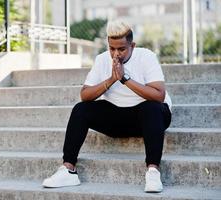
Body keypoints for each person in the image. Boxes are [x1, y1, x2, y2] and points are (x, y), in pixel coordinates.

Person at [42, 20, 172, 193]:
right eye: (112, 48)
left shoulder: (146, 56)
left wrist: (125, 79)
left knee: (153, 108)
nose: (116, 54)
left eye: (121, 49)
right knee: (81, 110)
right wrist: (111, 79)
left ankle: (153, 171)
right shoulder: (102, 59)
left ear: (132, 45)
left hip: (148, 118)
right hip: (117, 118)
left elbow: (159, 95)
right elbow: (85, 95)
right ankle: (68, 169)